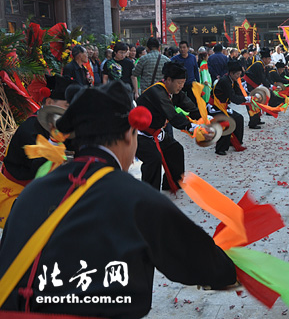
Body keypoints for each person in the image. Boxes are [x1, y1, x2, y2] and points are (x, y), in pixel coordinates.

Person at [0, 81, 236, 318]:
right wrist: (229, 270)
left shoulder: (32, 192)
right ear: (128, 134)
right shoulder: (135, 198)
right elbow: (200, 260)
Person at [0, 75, 74, 228]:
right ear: (48, 103)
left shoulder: (57, 126)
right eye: (67, 105)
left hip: (37, 190)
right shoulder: (31, 129)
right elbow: (44, 170)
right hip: (16, 196)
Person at [135, 62, 201, 192]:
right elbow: (172, 115)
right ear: (168, 80)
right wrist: (190, 127)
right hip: (138, 133)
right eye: (179, 83)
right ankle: (150, 193)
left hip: (156, 132)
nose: (181, 86)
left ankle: (171, 184)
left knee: (175, 149)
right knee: (153, 158)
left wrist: (205, 117)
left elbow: (190, 106)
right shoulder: (157, 92)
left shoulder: (174, 91)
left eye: (183, 83)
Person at [208, 61, 248, 155]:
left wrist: (248, 98)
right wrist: (245, 99)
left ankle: (236, 142)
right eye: (237, 74)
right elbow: (233, 98)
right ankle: (220, 148)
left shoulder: (232, 80)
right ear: (231, 73)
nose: (238, 76)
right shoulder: (225, 81)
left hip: (223, 106)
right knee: (227, 122)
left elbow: (239, 93)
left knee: (239, 118)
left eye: (239, 74)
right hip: (214, 107)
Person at [243, 48, 272, 129]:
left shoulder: (262, 65)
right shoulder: (259, 65)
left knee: (258, 101)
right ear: (265, 59)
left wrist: (270, 84)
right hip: (248, 86)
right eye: (269, 59)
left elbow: (266, 77)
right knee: (252, 103)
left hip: (254, 86)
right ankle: (252, 123)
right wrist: (269, 86)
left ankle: (257, 119)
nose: (270, 60)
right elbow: (262, 78)